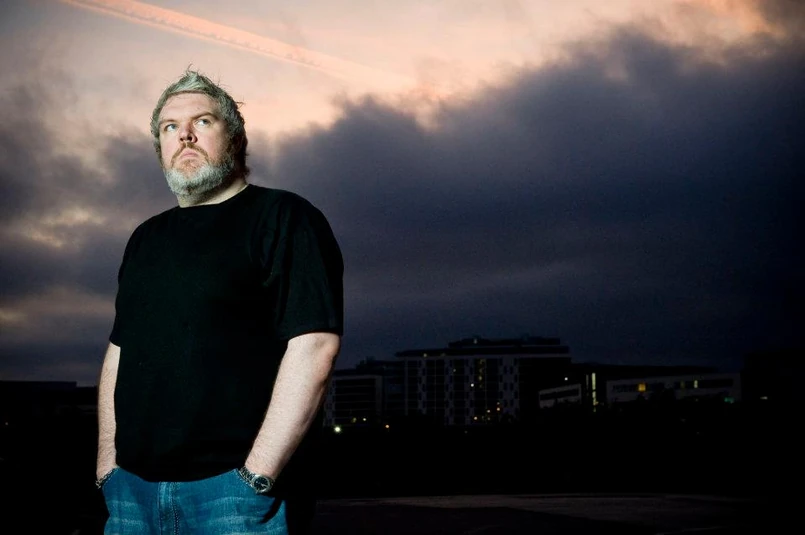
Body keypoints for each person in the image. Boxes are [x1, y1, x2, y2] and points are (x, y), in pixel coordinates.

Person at [95, 69, 344, 534]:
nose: (184, 135)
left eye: (203, 121)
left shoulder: (284, 217)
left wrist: (257, 476)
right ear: (160, 147)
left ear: (236, 137)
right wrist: (107, 468)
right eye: (170, 127)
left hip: (232, 494)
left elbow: (314, 346)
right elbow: (119, 352)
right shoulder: (145, 238)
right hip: (131, 494)